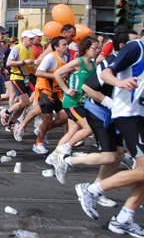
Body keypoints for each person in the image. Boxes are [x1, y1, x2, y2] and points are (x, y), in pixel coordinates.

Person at [74, 32, 144, 237]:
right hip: (127, 114)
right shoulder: (135, 48)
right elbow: (105, 74)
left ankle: (123, 219)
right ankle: (92, 190)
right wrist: (120, 83)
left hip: (139, 114)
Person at [51, 36, 99, 183]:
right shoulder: (78, 62)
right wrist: (66, 90)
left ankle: (53, 156)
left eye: (99, 48)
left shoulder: (94, 64)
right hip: (72, 103)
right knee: (89, 128)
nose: (97, 51)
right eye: (94, 48)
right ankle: (65, 148)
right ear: (86, 48)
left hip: (83, 103)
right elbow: (57, 73)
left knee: (72, 132)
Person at [0, 30, 36, 131]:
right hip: (17, 76)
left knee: (25, 103)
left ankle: (12, 122)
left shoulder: (31, 50)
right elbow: (9, 63)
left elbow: (32, 66)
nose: (31, 41)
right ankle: (7, 112)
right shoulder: (17, 48)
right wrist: (23, 62)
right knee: (24, 101)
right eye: (30, 39)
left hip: (26, 78)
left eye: (32, 39)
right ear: (23, 38)